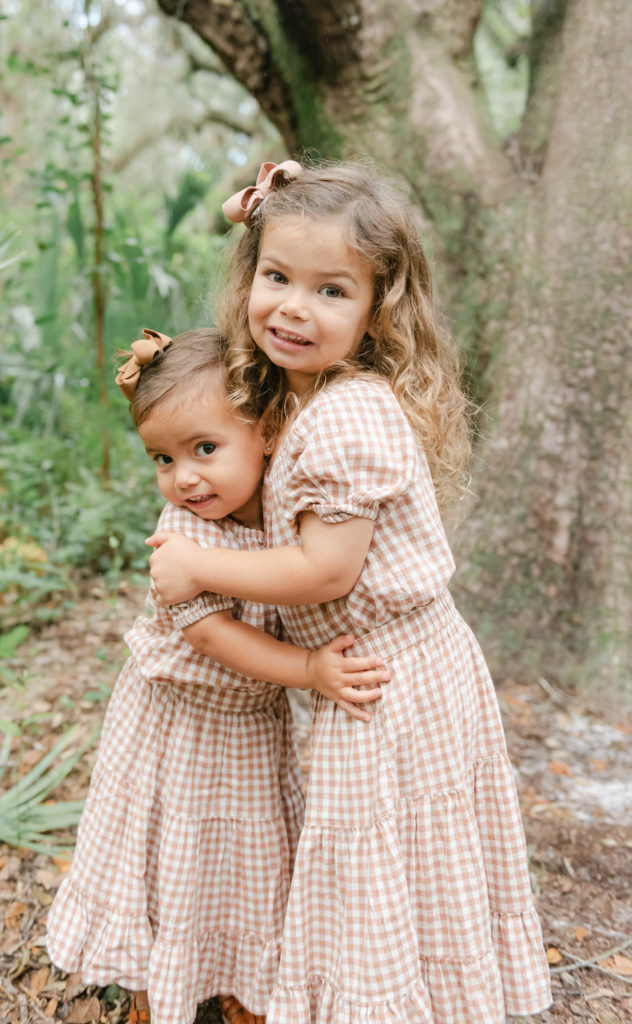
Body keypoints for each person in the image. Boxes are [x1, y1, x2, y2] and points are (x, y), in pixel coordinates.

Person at [146, 163, 553, 1024]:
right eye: (276, 277)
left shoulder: (351, 416)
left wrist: (198, 571)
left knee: (387, 856)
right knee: (381, 860)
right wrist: (257, 205)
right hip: (367, 670)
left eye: (332, 290)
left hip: (392, 678)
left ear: (378, 311)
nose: (294, 307)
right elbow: (253, 223)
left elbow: (323, 570)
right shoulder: (298, 393)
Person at [46, 327, 390, 1024]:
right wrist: (308, 670)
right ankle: (157, 985)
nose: (184, 476)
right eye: (163, 459)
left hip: (249, 729)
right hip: (179, 727)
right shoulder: (185, 537)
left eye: (205, 448)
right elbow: (212, 634)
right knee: (171, 849)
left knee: (248, 855)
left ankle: (240, 980)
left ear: (265, 431)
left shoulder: (285, 504)